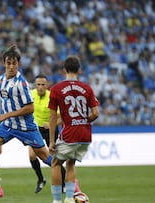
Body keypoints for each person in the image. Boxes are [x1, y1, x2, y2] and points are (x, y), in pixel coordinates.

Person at [0, 44, 54, 202]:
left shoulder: (22, 83)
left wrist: (7, 115)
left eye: (14, 63)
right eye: (8, 63)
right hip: (7, 126)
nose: (11, 66)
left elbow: (30, 108)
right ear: (4, 63)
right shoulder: (0, 80)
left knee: (48, 159)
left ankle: (72, 182)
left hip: (26, 128)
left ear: (18, 64)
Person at [48, 55, 100, 203]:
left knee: (55, 163)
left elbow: (53, 118)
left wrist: (51, 141)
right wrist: (83, 121)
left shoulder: (56, 89)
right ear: (79, 70)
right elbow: (96, 113)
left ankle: (57, 200)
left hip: (69, 133)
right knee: (70, 163)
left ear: (64, 70)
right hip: (85, 135)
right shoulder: (87, 88)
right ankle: (70, 198)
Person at [28, 74, 65, 193]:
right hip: (35, 130)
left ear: (47, 85)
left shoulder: (52, 96)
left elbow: (61, 118)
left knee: (54, 159)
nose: (40, 87)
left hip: (50, 130)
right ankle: (40, 179)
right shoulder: (30, 95)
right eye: (38, 84)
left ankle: (64, 183)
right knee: (32, 156)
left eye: (43, 85)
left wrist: (51, 125)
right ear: (35, 85)